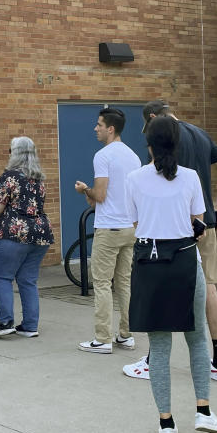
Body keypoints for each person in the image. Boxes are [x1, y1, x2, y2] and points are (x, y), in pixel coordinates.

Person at [126, 116, 217, 433]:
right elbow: (197, 224)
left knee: (159, 346)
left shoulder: (134, 179)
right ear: (178, 144)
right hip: (185, 260)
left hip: (149, 262)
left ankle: (166, 423)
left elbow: (136, 221)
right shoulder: (190, 178)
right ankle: (203, 410)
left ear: (149, 146)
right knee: (197, 339)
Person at [75, 107, 141, 353]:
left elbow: (99, 196)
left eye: (99, 124)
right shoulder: (133, 156)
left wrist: (84, 190)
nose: (96, 128)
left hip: (109, 228)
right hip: (129, 227)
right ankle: (126, 334)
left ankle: (102, 339)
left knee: (102, 283)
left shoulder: (103, 156)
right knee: (124, 283)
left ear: (110, 129)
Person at [0, 136, 54, 338]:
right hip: (40, 233)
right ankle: (30, 325)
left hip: (13, 233)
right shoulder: (39, 179)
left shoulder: (10, 177)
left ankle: (6, 321)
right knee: (28, 280)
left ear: (14, 154)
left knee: (2, 276)